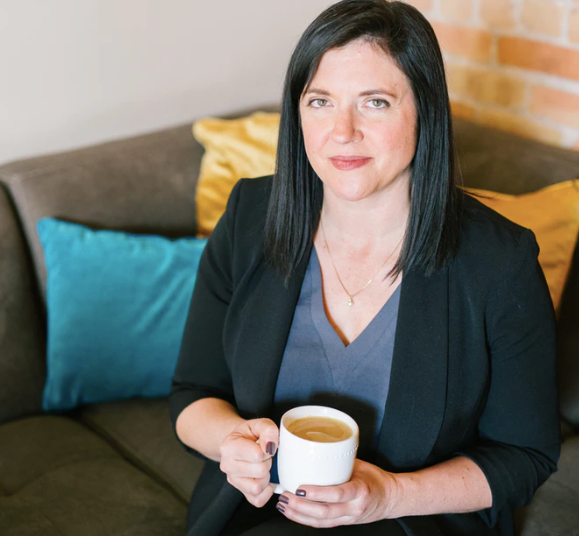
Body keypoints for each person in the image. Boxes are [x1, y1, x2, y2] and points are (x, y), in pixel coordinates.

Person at [169, 1, 561, 535]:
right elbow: (193, 393)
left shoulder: (500, 261)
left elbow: (524, 455)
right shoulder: (248, 217)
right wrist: (231, 443)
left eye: (375, 102)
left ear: (425, 110)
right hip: (256, 516)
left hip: (415, 520)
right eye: (321, 101)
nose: (343, 130)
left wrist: (386, 496)